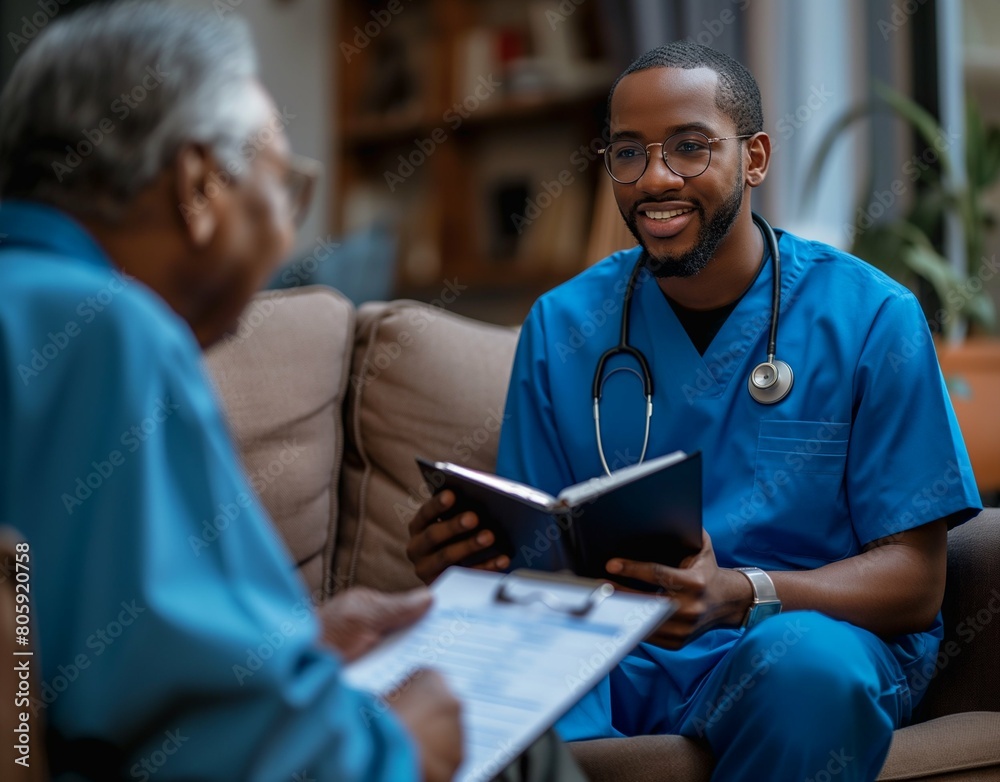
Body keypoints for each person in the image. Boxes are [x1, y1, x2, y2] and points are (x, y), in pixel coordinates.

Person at [0, 4, 583, 781]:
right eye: (286, 187)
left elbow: (72, 648)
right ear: (200, 185)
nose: (287, 234)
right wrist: (399, 749)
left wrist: (292, 641)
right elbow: (212, 738)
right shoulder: (107, 332)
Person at [408, 42, 983, 780]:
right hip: (615, 651)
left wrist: (742, 594)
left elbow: (916, 579)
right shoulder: (562, 325)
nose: (655, 179)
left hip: (791, 638)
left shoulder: (872, 317)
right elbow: (538, 563)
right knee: (460, 672)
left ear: (756, 158)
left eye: (689, 147)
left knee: (808, 675)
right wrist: (462, 564)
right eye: (627, 152)